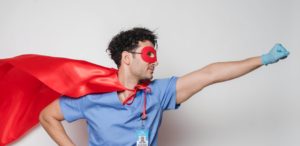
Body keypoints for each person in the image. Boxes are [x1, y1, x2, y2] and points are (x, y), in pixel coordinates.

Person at [39, 27, 290, 146]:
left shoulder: (158, 92)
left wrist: (263, 59)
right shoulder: (90, 97)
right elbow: (47, 116)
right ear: (127, 58)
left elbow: (210, 74)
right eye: (149, 54)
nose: (156, 61)